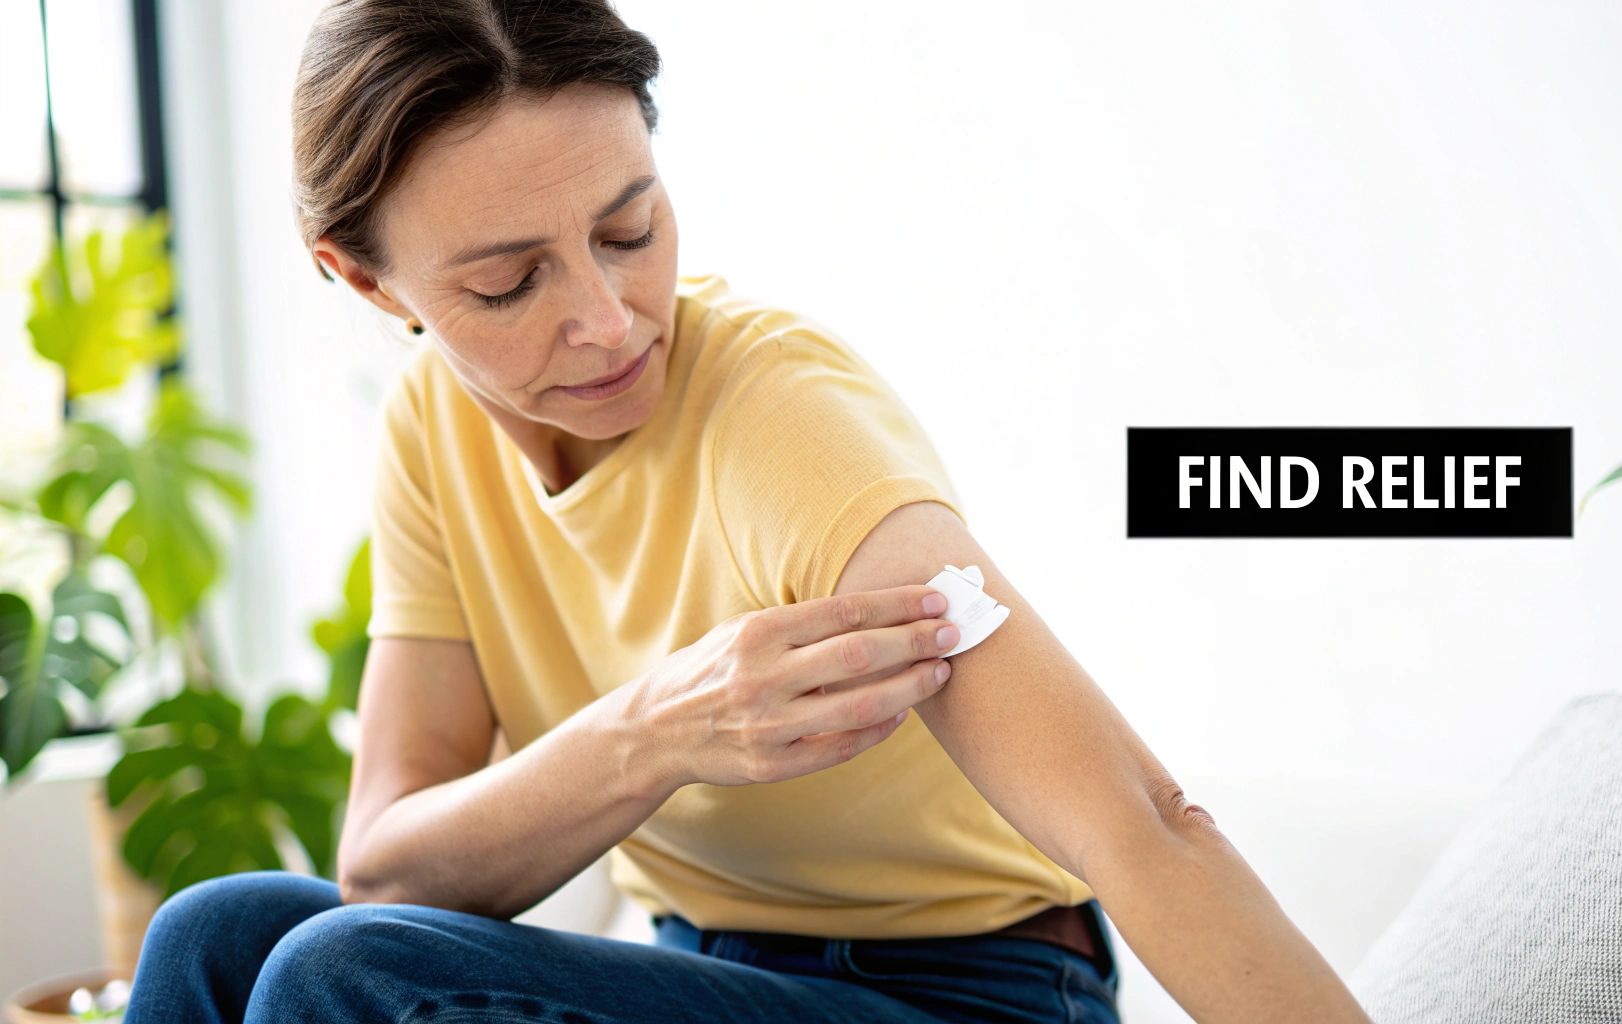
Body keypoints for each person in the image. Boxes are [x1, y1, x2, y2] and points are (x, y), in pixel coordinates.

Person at [123, 1, 1371, 1021]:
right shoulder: (430, 432)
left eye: (629, 228)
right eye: (508, 282)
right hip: (708, 976)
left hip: (978, 996)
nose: (609, 319)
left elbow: (1141, 824)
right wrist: (657, 731)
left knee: (343, 974)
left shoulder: (785, 424)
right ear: (360, 274)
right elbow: (387, 861)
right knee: (221, 930)